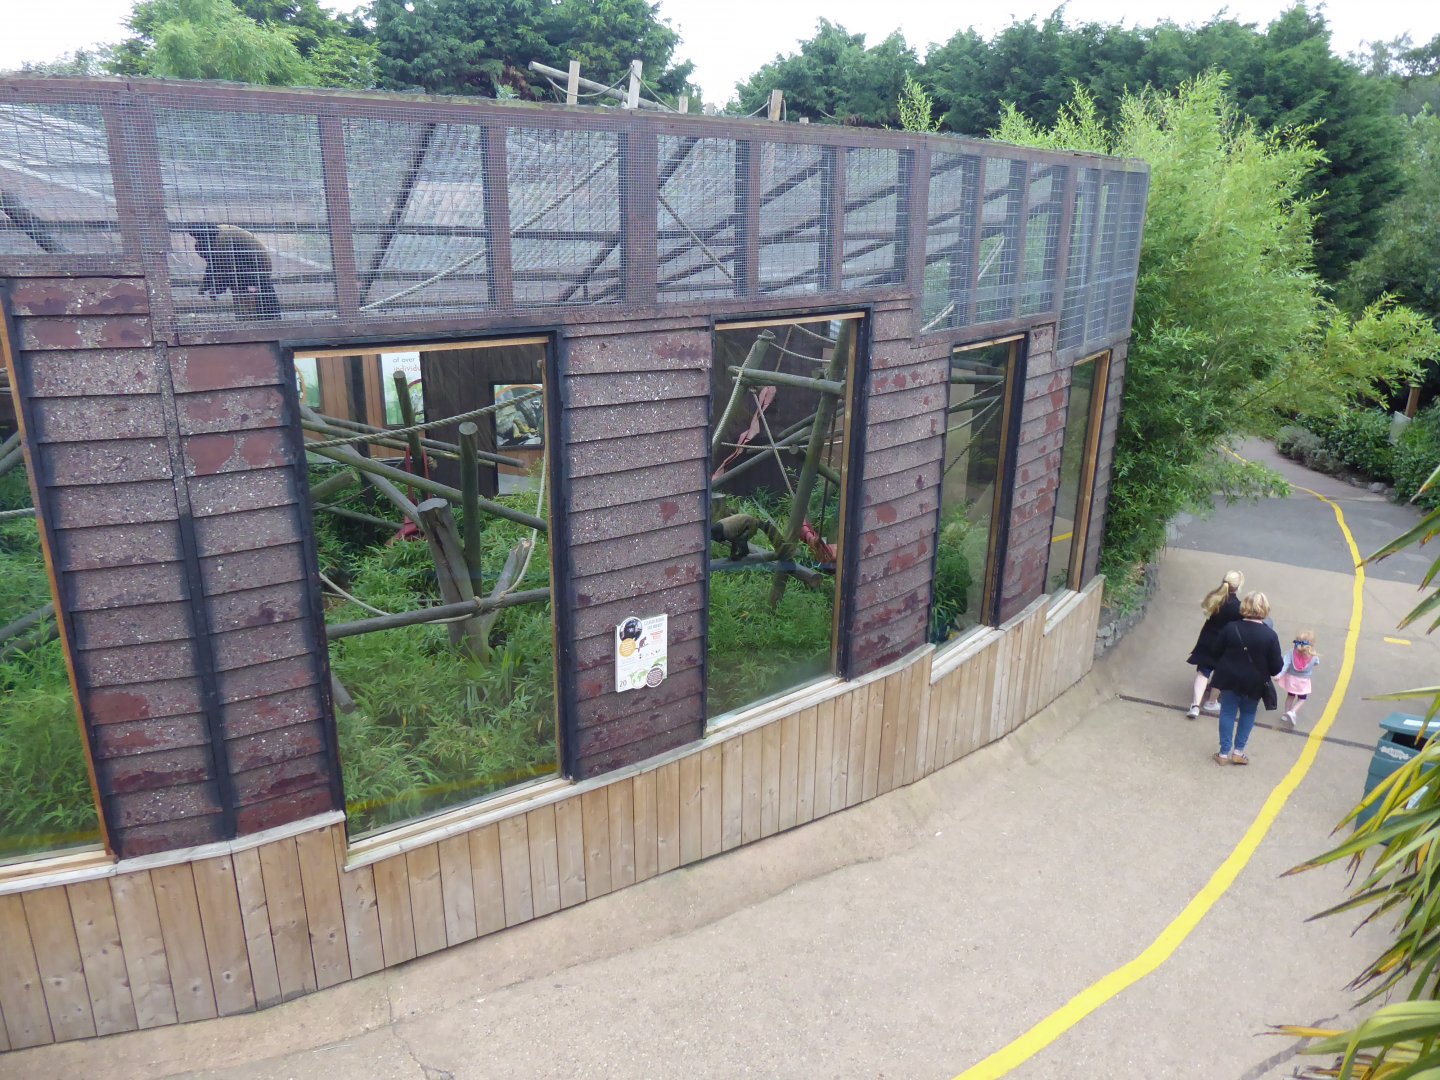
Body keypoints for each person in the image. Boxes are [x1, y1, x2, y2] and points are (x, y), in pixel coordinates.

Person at [1208, 591, 1284, 765]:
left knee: (1227, 712)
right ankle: (1238, 752)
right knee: (1248, 714)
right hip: (1254, 683)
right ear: (1265, 609)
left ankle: (1223, 753)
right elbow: (1276, 667)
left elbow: (1215, 651)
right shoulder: (1270, 636)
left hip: (1229, 678)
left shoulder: (1231, 627)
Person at [1185, 570, 1245, 719]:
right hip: (1225, 642)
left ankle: (1195, 705)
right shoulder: (1237, 606)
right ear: (1238, 587)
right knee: (1220, 672)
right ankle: (1212, 702)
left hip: (1207, 637)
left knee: (1203, 671)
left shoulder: (1214, 597)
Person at [1275, 630, 1319, 729]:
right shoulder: (1313, 656)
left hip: (1291, 679)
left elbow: (1285, 664)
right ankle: (1293, 711)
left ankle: (1285, 714)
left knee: (1290, 696)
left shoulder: (1291, 653)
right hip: (1303, 681)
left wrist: (1279, 675)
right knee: (1302, 698)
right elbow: (1316, 663)